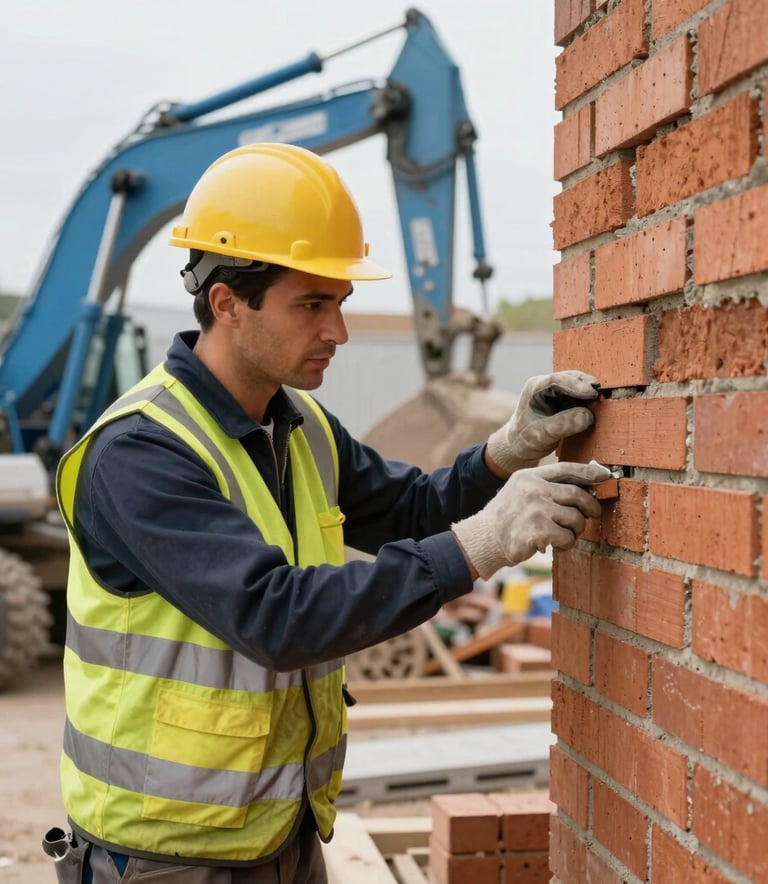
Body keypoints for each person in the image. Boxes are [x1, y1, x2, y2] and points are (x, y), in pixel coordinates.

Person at [53, 142, 609, 884]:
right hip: (165, 859)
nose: (337, 331)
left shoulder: (300, 425)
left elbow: (410, 508)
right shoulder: (140, 453)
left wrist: (506, 452)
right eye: (311, 304)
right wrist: (486, 541)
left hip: (281, 835)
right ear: (227, 303)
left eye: (339, 303)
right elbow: (277, 619)